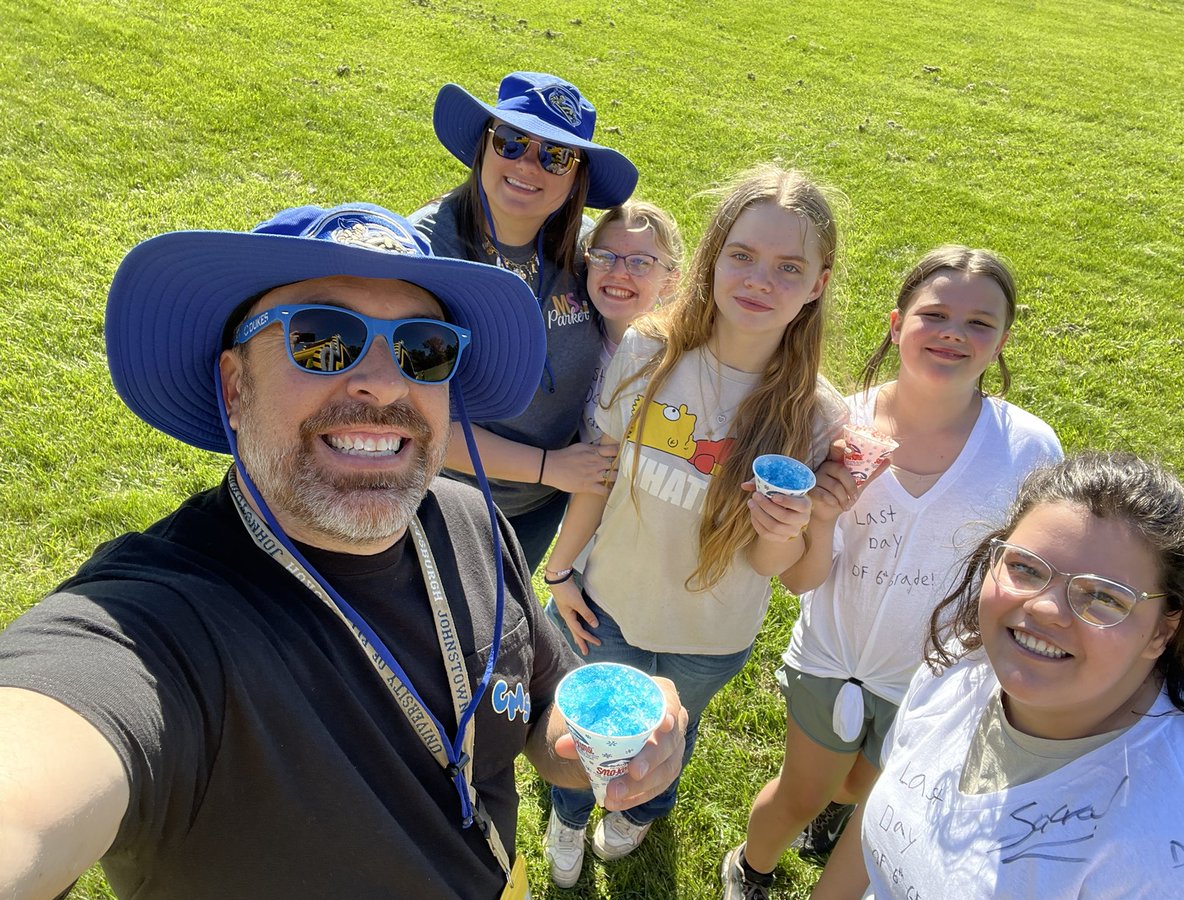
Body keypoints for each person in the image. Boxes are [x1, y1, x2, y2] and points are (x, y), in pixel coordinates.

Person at [0, 204, 688, 900]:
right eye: (323, 340)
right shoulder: (155, 629)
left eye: (424, 348)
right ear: (235, 386)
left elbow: (539, 713)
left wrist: (603, 737)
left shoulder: (473, 524)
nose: (384, 384)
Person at [538, 164, 850, 889]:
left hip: (710, 640)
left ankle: (638, 816)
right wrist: (560, 572)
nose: (759, 279)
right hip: (609, 606)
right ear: (712, 258)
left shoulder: (817, 415)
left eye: (788, 267)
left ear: (819, 283)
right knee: (585, 739)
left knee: (666, 743)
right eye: (742, 255)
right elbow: (600, 475)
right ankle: (568, 815)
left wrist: (787, 524)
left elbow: (786, 571)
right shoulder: (648, 352)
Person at [723, 246, 1063, 899]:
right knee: (800, 795)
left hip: (938, 682)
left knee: (868, 800)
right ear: (895, 322)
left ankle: (839, 808)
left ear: (1003, 340)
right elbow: (799, 580)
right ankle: (750, 868)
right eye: (934, 314)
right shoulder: (834, 424)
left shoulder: (1027, 449)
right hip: (833, 658)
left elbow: (1029, 573)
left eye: (979, 323)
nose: (953, 334)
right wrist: (820, 518)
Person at [814, 451, 1184, 898]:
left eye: (1105, 597)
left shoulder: (1170, 847)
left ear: (1162, 631)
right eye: (1025, 568)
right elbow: (879, 814)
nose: (1043, 608)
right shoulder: (960, 664)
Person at [410, 71, 638, 569]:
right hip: (439, 504)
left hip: (540, 507)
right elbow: (413, 415)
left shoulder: (590, 251)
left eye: (556, 155)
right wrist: (548, 467)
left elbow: (665, 302)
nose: (528, 165)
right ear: (484, 146)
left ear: (577, 177)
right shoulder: (430, 253)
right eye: (512, 141)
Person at [579, 199, 683, 444]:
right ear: (587, 262)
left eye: (640, 262)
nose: (617, 273)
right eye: (604, 257)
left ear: (669, 281)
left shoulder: (676, 360)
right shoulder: (574, 331)